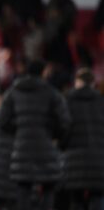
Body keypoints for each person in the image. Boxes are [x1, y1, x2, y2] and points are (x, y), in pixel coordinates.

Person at [0, 59, 71, 210]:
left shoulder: (14, 91)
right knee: (49, 187)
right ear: (43, 72)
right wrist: (54, 135)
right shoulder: (52, 93)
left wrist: (19, 132)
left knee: (23, 189)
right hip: (47, 149)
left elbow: (2, 121)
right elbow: (65, 122)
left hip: (22, 149)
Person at [62, 67, 104, 210]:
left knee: (76, 199)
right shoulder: (101, 102)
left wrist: (63, 147)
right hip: (98, 159)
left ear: (77, 82)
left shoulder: (67, 101)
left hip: (74, 159)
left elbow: (63, 129)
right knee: (97, 197)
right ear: (93, 83)